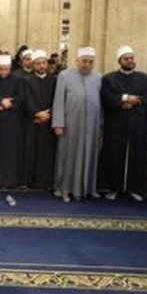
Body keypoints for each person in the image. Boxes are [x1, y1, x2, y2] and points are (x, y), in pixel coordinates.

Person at [100, 46, 147, 201]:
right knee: (114, 155)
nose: (130, 61)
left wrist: (136, 101)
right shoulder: (109, 78)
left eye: (132, 58)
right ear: (120, 61)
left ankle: (134, 188)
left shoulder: (144, 78)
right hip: (116, 124)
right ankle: (113, 188)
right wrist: (123, 99)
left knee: (137, 156)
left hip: (137, 124)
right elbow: (105, 98)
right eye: (126, 59)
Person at [51, 47, 102, 202]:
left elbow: (101, 103)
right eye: (84, 61)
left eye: (90, 62)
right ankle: (65, 189)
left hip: (92, 125)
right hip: (71, 124)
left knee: (89, 155)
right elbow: (58, 101)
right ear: (77, 61)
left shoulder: (98, 77)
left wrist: (101, 124)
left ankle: (88, 189)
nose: (87, 64)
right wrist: (58, 123)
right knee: (69, 157)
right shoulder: (64, 76)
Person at [0, 54, 26, 188]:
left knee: (10, 151)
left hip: (12, 119)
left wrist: (9, 106)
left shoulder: (18, 79)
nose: (3, 72)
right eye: (1, 69)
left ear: (10, 68)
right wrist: (0, 102)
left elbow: (21, 97)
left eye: (6, 69)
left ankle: (9, 181)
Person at [22, 50, 57, 191]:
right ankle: (30, 182)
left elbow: (57, 99)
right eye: (38, 63)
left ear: (47, 63)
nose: (41, 66)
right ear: (33, 65)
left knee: (47, 153)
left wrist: (49, 113)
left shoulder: (54, 80)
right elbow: (27, 99)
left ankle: (46, 182)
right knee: (31, 152)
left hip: (49, 122)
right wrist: (36, 113)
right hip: (33, 122)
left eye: (43, 63)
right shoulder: (27, 80)